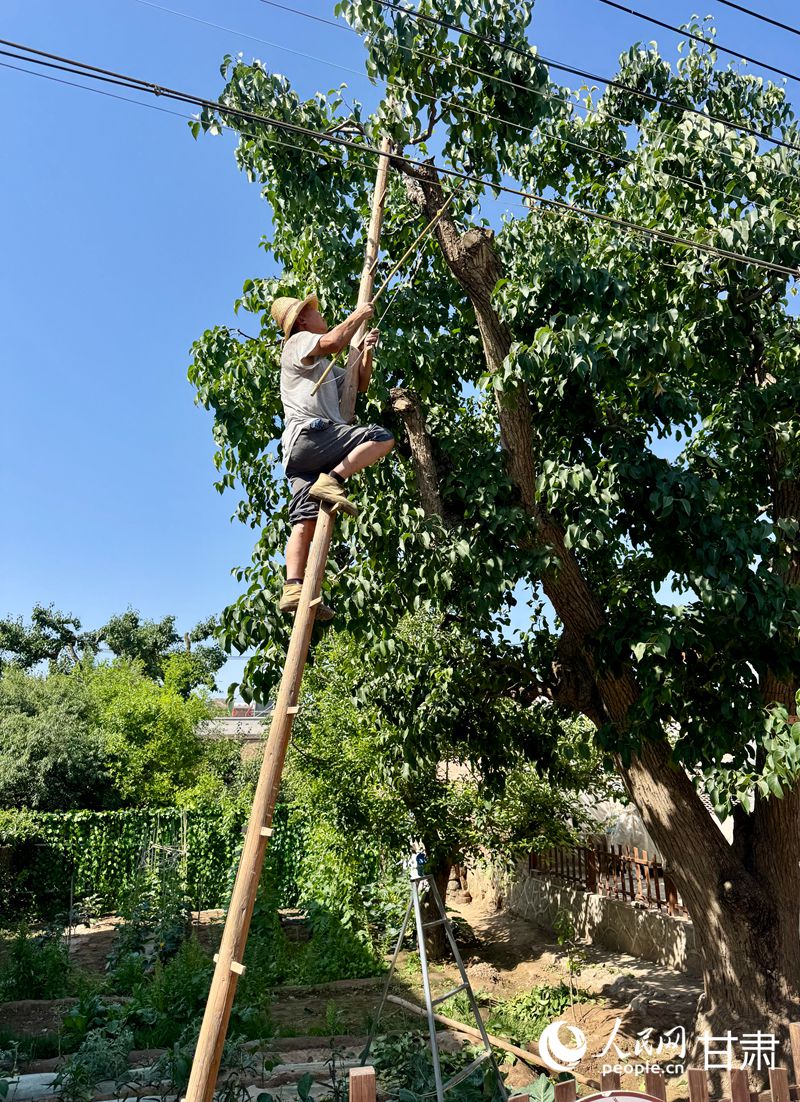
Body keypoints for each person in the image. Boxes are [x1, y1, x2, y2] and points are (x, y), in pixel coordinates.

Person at [269, 292, 395, 620]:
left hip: (298, 455)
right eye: (316, 312)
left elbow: (359, 385)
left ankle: (295, 586)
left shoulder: (320, 365)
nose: (321, 315)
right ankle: (334, 478)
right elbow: (333, 340)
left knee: (304, 522)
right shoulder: (298, 343)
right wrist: (358, 315)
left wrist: (364, 352)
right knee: (381, 438)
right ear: (302, 321)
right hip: (313, 436)